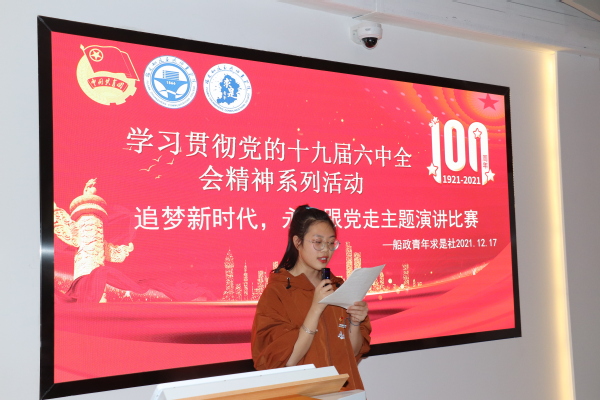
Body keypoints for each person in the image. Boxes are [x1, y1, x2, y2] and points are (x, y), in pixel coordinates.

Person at [251, 205, 371, 391]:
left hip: (345, 393)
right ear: (297, 242)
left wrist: (355, 322)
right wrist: (316, 308)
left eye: (331, 243)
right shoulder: (277, 293)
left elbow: (353, 352)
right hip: (305, 393)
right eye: (318, 242)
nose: (326, 250)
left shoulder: (338, 287)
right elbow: (288, 360)